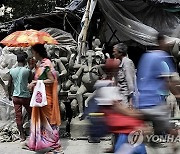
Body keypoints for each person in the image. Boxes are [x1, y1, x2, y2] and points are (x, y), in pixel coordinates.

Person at [27, 44, 62, 153]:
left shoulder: (46, 64)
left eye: (33, 52)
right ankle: (45, 145)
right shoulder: (40, 64)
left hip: (46, 98)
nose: (32, 55)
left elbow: (51, 80)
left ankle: (55, 146)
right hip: (40, 97)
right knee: (42, 121)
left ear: (37, 52)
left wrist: (36, 82)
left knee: (49, 121)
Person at [8, 52, 32, 141]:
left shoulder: (12, 71)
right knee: (32, 113)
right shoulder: (27, 71)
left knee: (18, 116)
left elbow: (9, 84)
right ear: (25, 60)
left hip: (16, 96)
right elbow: (30, 81)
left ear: (17, 61)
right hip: (25, 96)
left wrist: (9, 94)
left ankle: (22, 135)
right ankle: (33, 131)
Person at [113, 43, 135, 107]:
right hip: (119, 96)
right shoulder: (119, 63)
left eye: (115, 52)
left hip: (125, 97)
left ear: (120, 53)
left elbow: (130, 80)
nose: (113, 54)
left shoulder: (127, 62)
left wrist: (131, 99)